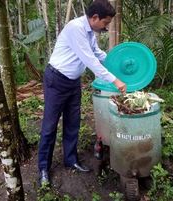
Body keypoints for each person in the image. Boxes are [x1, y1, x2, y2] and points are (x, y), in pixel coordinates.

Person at [38, 0, 127, 186]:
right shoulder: (75, 28)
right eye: (105, 23)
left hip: (73, 82)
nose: (106, 26)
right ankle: (43, 168)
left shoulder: (90, 32)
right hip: (56, 80)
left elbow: (97, 53)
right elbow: (90, 60)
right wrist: (115, 80)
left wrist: (115, 61)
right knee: (50, 126)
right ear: (95, 17)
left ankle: (70, 160)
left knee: (73, 122)